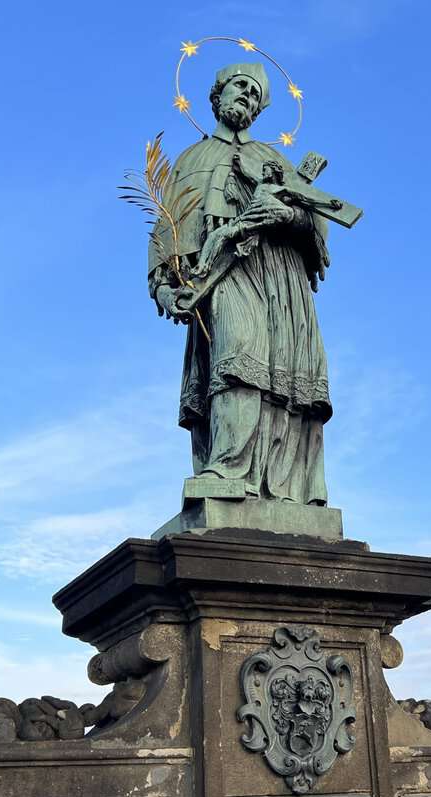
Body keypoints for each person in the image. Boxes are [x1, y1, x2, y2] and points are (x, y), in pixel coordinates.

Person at [148, 62, 331, 506]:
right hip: (224, 273)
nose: (247, 96)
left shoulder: (276, 162)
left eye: (256, 93)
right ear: (217, 94)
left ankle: (285, 487)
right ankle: (228, 467)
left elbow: (318, 224)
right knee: (237, 353)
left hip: (280, 279)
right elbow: (167, 228)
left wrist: (289, 215)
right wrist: (164, 286)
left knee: (282, 375)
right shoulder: (193, 159)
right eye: (240, 87)